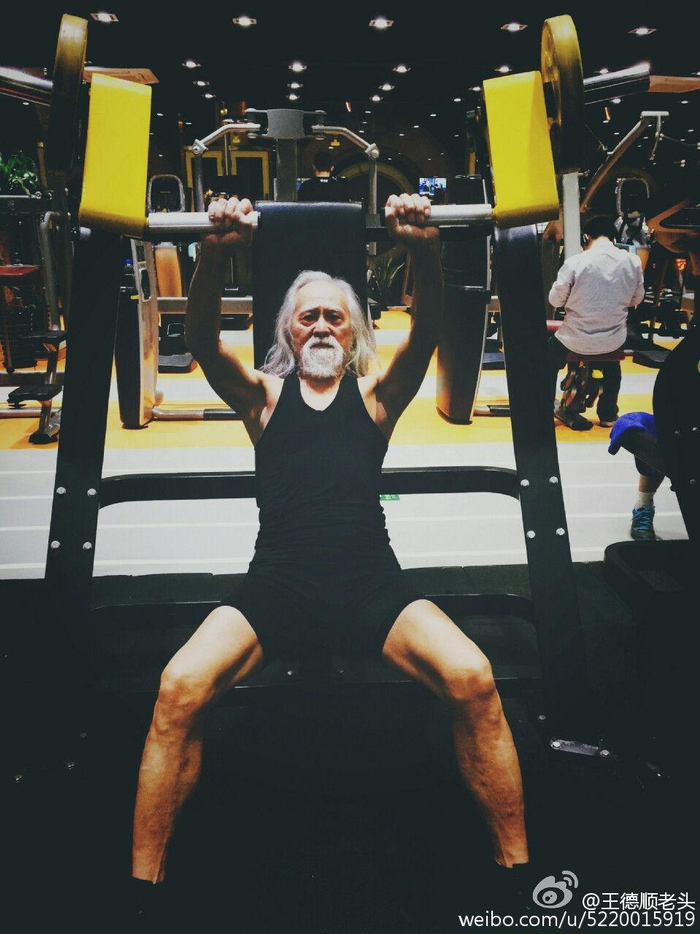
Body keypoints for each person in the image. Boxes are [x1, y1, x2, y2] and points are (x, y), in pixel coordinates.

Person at [130, 194, 530, 910]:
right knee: (177, 687)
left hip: (373, 587)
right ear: (288, 329)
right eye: (308, 315)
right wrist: (215, 254)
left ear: (354, 331)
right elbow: (203, 340)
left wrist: (424, 252)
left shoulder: (377, 397)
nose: (320, 324)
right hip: (276, 588)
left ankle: (519, 871)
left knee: (474, 676)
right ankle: (142, 885)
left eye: (335, 316)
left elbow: (428, 332)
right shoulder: (263, 398)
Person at [548, 214, 645, 430]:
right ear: (613, 238)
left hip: (574, 339)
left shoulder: (575, 262)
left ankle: (543, 406)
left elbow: (555, 300)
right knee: (613, 369)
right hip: (613, 339)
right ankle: (608, 413)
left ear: (586, 237)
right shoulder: (633, 261)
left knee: (548, 359)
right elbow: (637, 299)